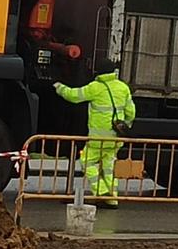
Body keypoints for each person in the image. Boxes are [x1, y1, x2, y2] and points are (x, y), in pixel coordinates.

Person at [53, 61, 135, 207]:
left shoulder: (95, 87)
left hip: (98, 138)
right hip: (116, 137)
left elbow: (74, 96)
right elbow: (131, 112)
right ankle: (112, 199)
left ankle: (101, 192)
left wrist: (60, 88)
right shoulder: (123, 88)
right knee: (109, 167)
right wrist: (125, 125)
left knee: (87, 162)